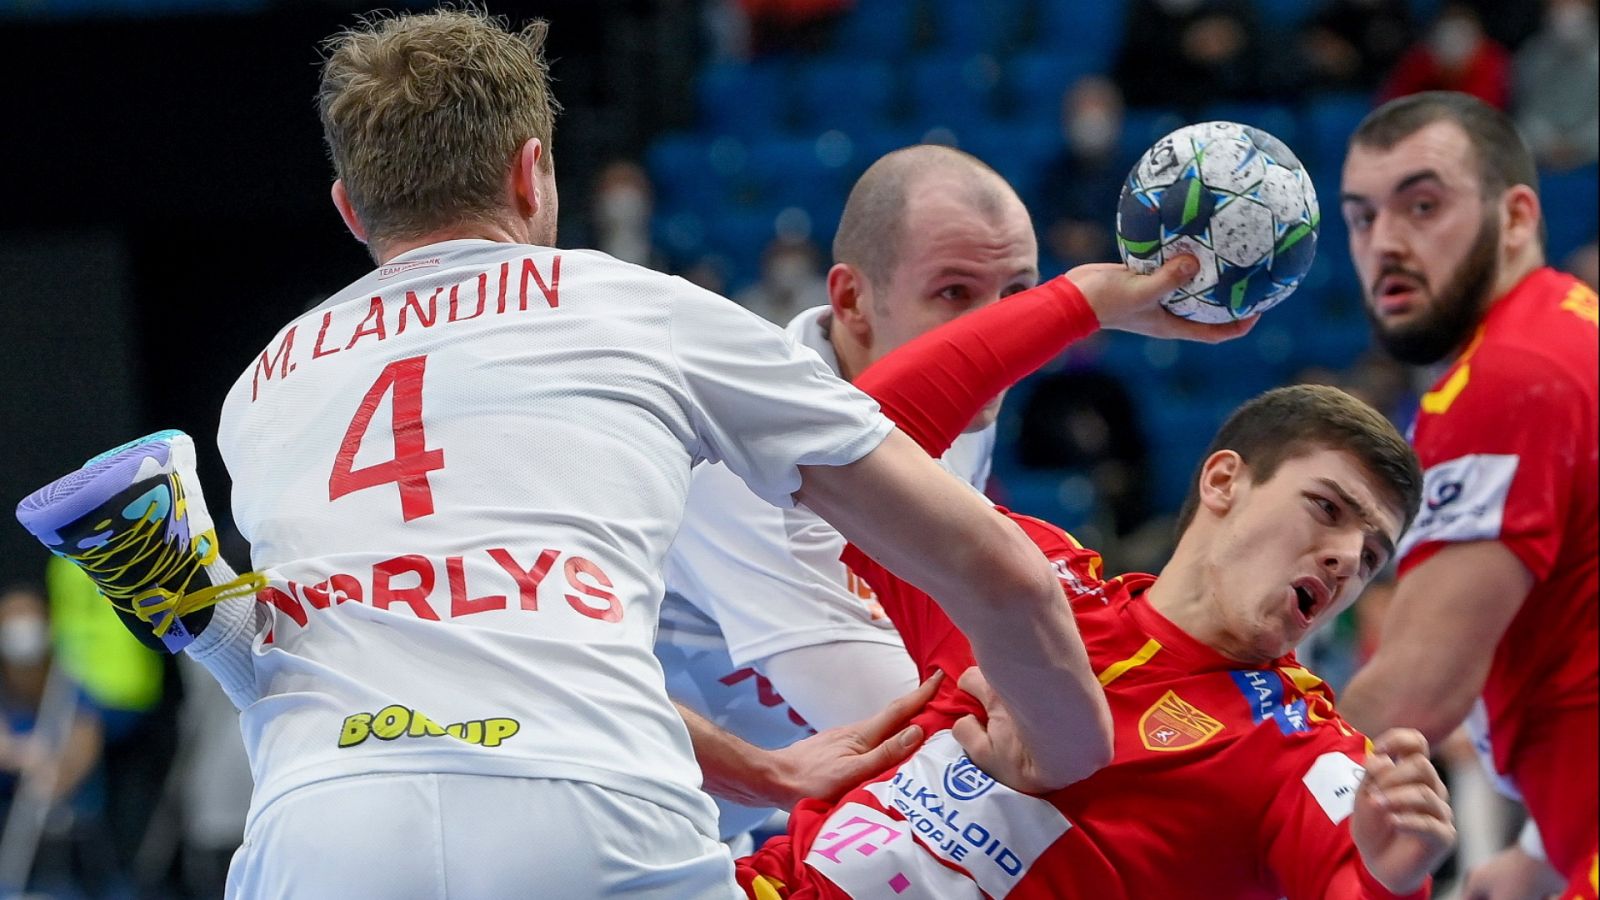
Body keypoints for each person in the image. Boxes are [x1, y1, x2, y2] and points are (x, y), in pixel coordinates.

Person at [11, 10, 1225, 897]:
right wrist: (1070, 764)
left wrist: (753, 766)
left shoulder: (262, 384)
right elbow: (995, 571)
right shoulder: (634, 307)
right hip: (589, 811)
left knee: (279, 648)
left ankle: (194, 608)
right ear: (535, 172)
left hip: (323, 830)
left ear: (348, 208)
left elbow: (432, 641)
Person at [733, 267, 1455, 898]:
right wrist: (1083, 301)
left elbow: (1355, 878)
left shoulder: (1301, 747)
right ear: (1224, 480)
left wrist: (1392, 879)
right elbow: (861, 435)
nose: (1344, 560)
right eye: (1327, 510)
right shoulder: (1032, 572)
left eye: (1370, 556)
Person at [658, 144, 1034, 848]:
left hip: (720, 827)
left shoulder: (952, 398)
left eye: (1018, 296)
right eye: (954, 293)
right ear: (852, 300)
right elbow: (909, 728)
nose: (999, 334)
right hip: (602, 831)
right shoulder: (748, 454)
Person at [1335, 91, 1598, 895]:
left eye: (1422, 205)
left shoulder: (1508, 380)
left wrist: (1220, 776)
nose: (1387, 243)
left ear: (1517, 217)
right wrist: (1538, 863)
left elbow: (1420, 687)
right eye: (1362, 217)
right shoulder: (1570, 329)